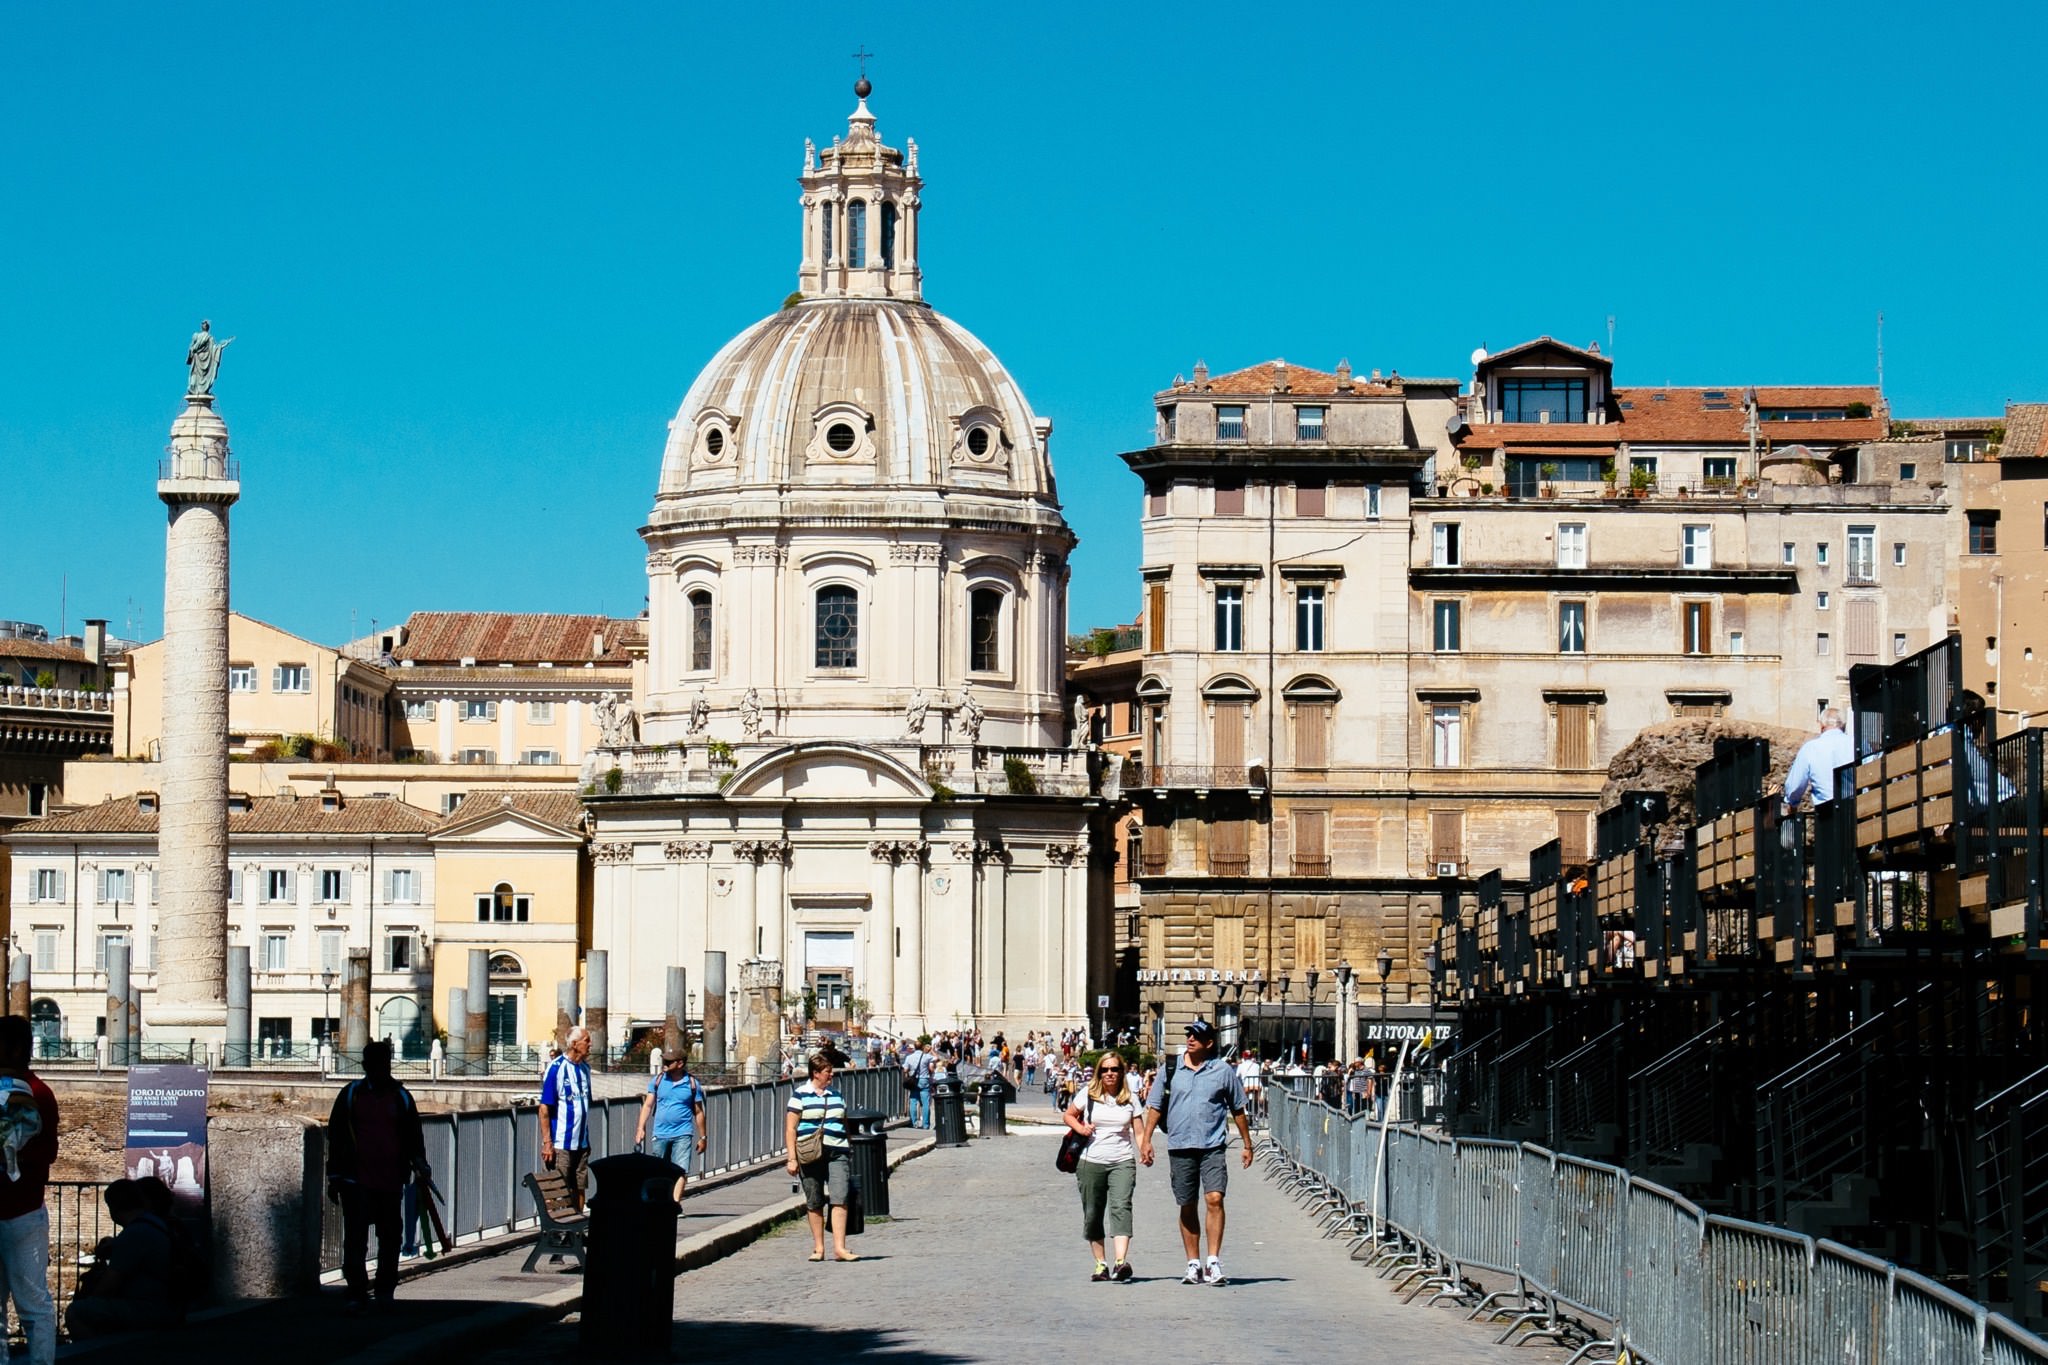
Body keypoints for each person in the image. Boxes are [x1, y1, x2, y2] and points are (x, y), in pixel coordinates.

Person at [1139, 1020, 1251, 1287]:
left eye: (1197, 1036)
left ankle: (1213, 1261)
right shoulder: (1170, 1068)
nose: (1190, 1039)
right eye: (1189, 1034)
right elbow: (1154, 1106)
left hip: (1212, 1146)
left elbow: (1238, 1109)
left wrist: (1247, 1144)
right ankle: (1193, 1263)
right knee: (1187, 1204)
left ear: (1209, 1043)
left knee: (1214, 1198)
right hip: (1179, 1145)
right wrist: (1146, 1140)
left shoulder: (1222, 1071)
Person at [326, 1039, 428, 1310]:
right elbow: (335, 1137)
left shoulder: (402, 1097)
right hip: (354, 1179)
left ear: (387, 1065)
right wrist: (334, 1176)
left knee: (390, 1237)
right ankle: (357, 1289)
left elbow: (414, 1136)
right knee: (356, 1238)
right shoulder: (350, 1095)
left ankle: (384, 1289)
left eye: (381, 1064)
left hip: (391, 1179)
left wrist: (420, 1164)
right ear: (365, 1066)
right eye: (373, 1064)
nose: (377, 1069)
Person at [0, 1017, 56, 1364]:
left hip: (22, 1213)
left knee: (33, 1305)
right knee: (34, 1305)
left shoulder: (36, 1093)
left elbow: (47, 1151)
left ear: (16, 1048)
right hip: (23, 1210)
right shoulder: (37, 1091)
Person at [64, 1178, 180, 1338]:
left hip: (151, 1308)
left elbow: (108, 1286)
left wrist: (90, 1298)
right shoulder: (154, 1223)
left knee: (77, 1312)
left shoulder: (135, 1233)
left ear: (113, 1207)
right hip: (168, 1303)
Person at [785, 1050, 857, 1262]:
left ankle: (840, 1248)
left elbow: (844, 1121)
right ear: (816, 1073)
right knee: (814, 1199)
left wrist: (849, 1143)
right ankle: (819, 1247)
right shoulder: (800, 1095)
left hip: (838, 1150)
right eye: (828, 1072)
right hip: (810, 1153)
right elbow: (791, 1128)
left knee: (840, 1196)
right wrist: (791, 1158)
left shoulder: (836, 1095)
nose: (831, 1075)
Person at [636, 1051, 708, 1204]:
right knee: (657, 1171)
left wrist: (703, 1137)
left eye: (669, 1062)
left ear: (680, 1064)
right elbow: (648, 1105)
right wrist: (640, 1128)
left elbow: (699, 1112)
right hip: (660, 1133)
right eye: (664, 1061)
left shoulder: (692, 1084)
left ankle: (674, 1205)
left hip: (683, 1133)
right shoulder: (658, 1080)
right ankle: (658, 1202)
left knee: (680, 1170)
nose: (665, 1065)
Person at [539, 1026, 593, 1212]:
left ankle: (577, 1226)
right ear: (574, 1044)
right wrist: (547, 1142)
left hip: (581, 1142)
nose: (590, 1044)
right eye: (587, 1040)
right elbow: (545, 1107)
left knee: (579, 1186)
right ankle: (558, 1229)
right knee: (558, 1188)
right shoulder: (557, 1069)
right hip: (562, 1142)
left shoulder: (585, 1069)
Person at [1783, 707, 1855, 817]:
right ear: (1843, 725)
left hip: (1827, 815)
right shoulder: (1858, 744)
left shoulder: (1810, 748)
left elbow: (1794, 786)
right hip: (1858, 811)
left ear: (1822, 726)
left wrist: (1792, 804)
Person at [904, 1038, 935, 1129]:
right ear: (922, 1047)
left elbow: (905, 1069)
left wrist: (910, 1071)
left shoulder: (909, 1057)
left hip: (914, 1081)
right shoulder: (926, 1056)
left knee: (913, 1101)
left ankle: (914, 1123)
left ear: (914, 1047)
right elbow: (937, 1058)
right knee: (925, 1103)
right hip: (924, 1079)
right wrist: (931, 1050)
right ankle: (925, 1124)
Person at [1235, 1049, 1264, 1125]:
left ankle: (1245, 1111)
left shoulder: (1241, 1065)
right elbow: (1259, 1074)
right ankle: (1257, 1113)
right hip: (1257, 1084)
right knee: (1257, 1099)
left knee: (1243, 1098)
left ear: (1244, 1057)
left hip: (1247, 1085)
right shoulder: (1257, 1065)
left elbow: (1237, 1075)